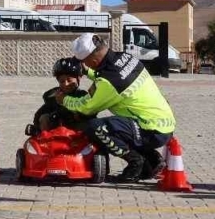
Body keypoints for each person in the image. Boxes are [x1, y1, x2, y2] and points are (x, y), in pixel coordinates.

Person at [58, 33, 177, 182]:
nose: (84, 64)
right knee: (122, 126)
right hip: (164, 125)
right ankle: (152, 160)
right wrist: (88, 72)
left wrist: (65, 100)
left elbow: (86, 107)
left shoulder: (108, 83)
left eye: (84, 62)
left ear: (93, 60)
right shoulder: (126, 58)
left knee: (95, 127)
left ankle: (135, 162)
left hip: (150, 130)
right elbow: (113, 74)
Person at [32, 57, 91, 133]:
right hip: (55, 136)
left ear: (78, 78)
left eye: (69, 80)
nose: (66, 84)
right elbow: (38, 116)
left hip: (76, 136)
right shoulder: (53, 96)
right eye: (62, 81)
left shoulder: (83, 96)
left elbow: (91, 114)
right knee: (44, 117)